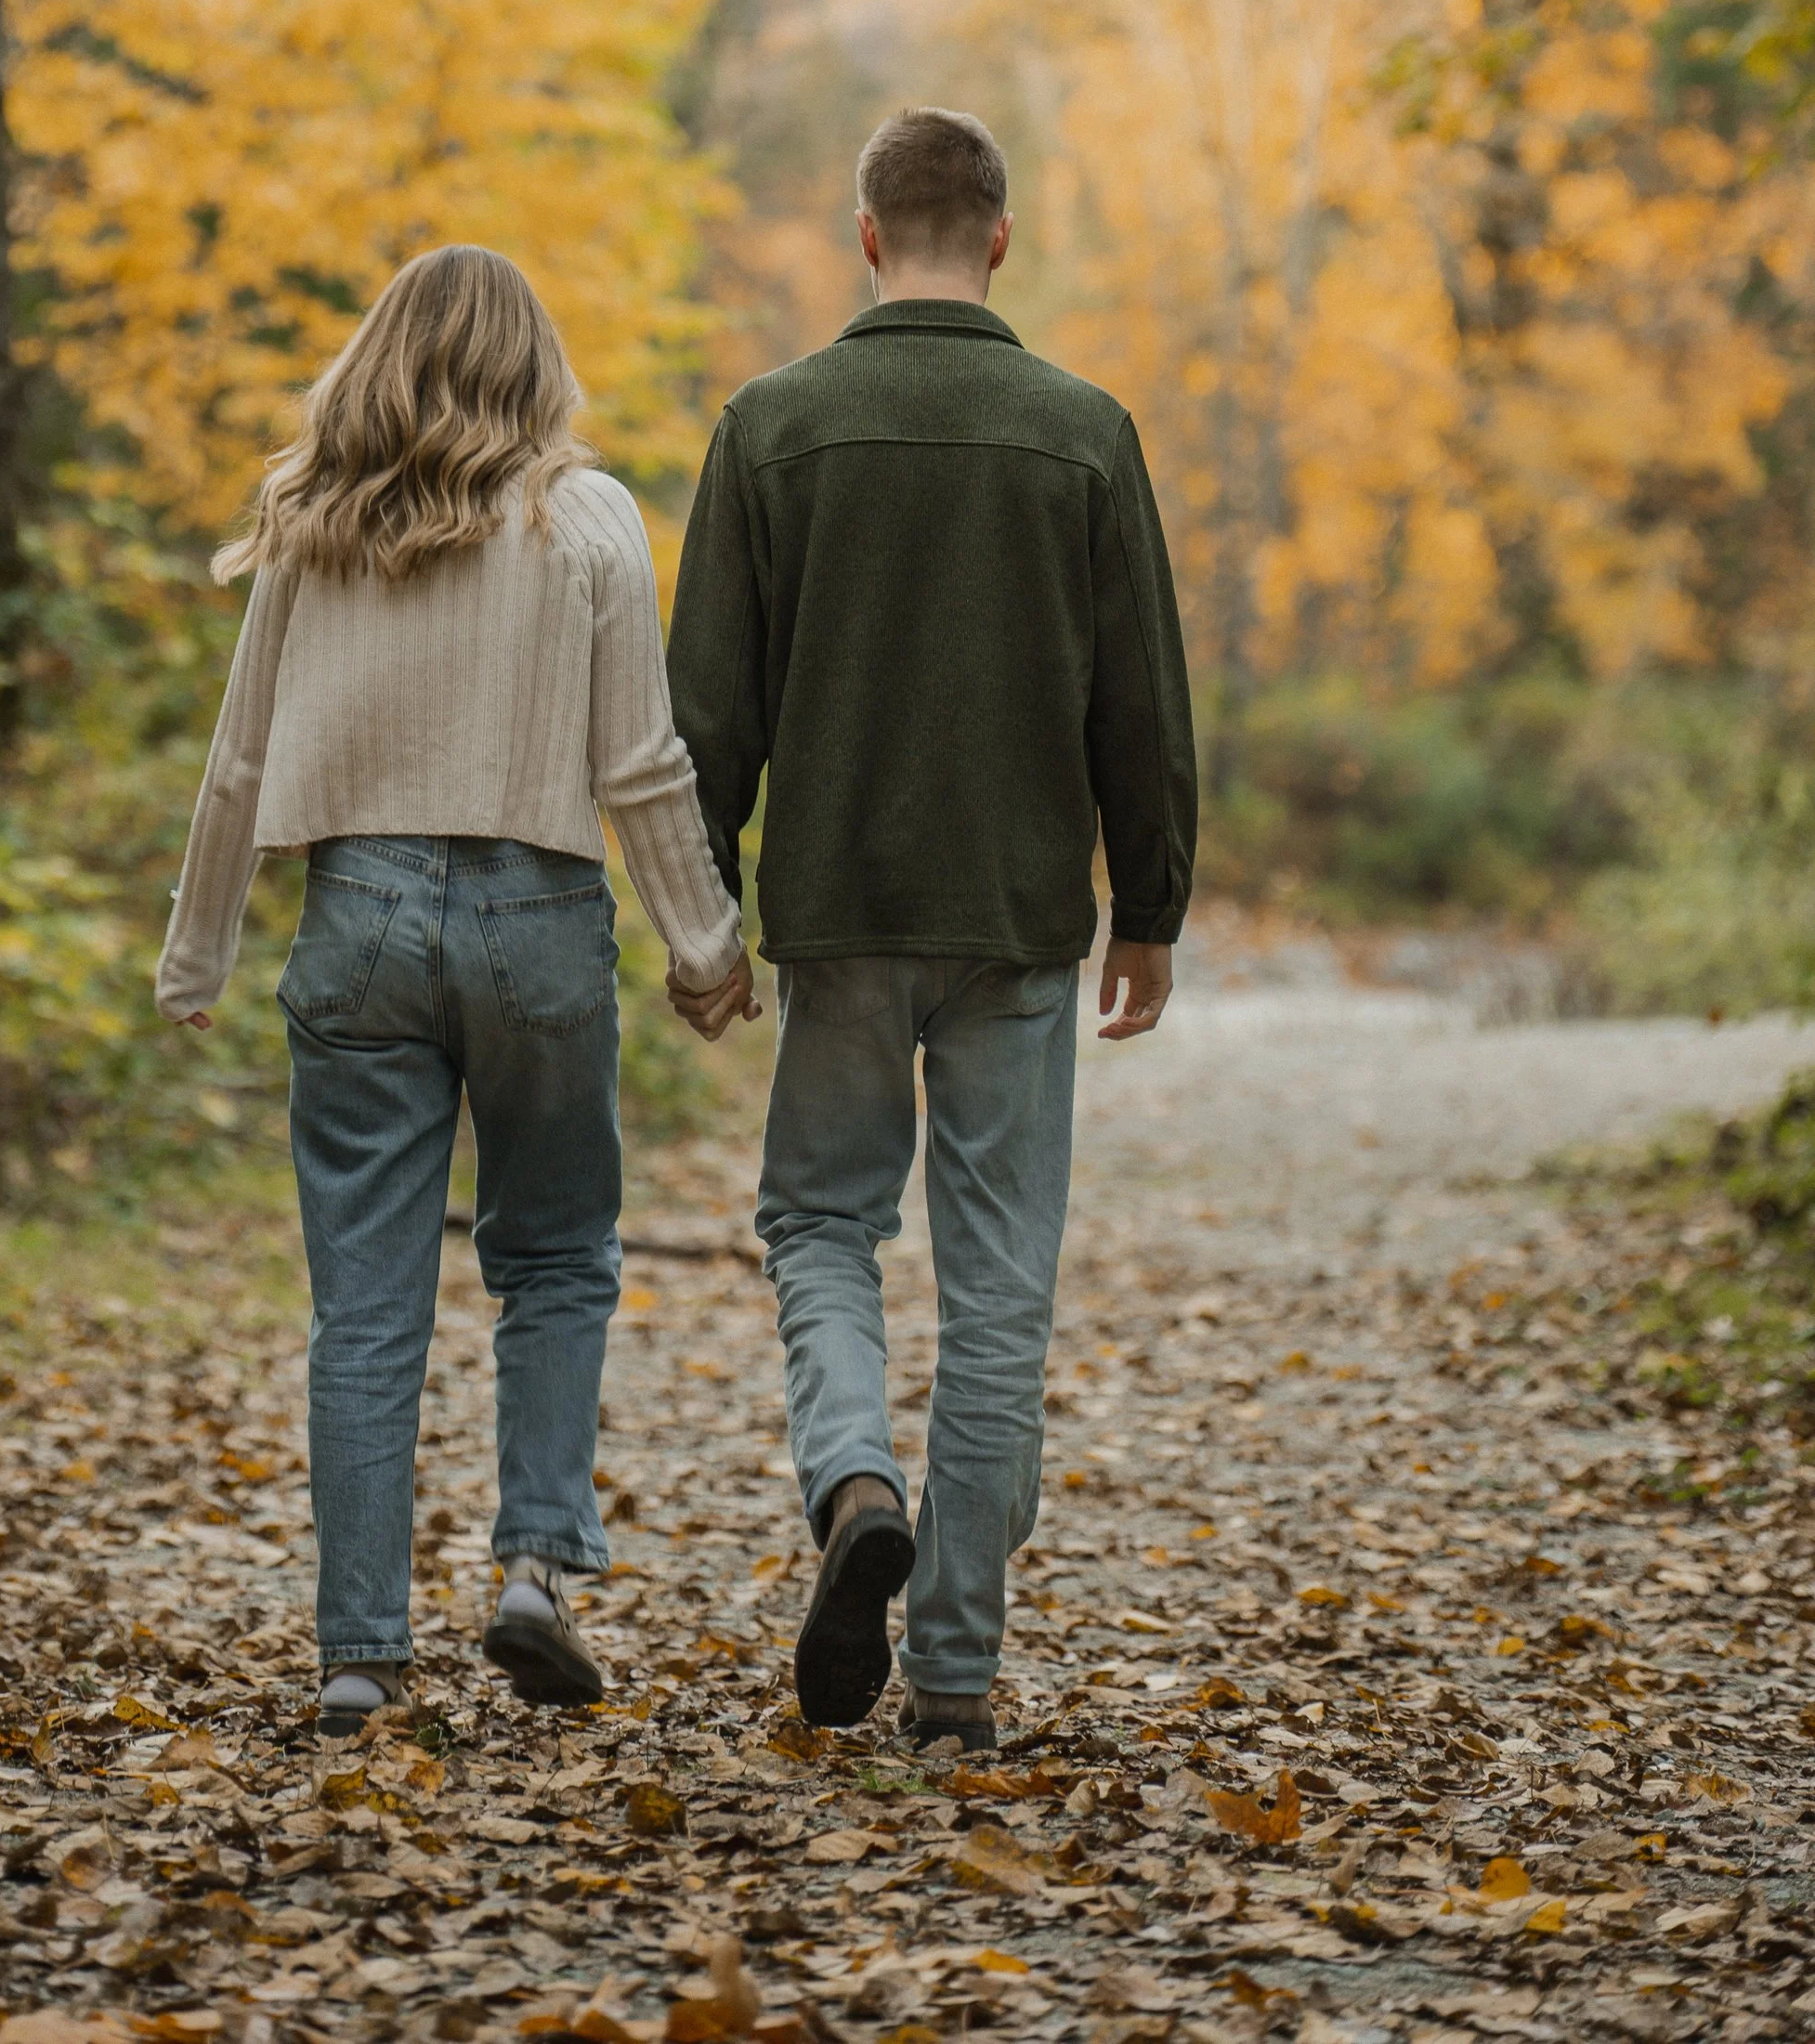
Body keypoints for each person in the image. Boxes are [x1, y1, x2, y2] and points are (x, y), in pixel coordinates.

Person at [157, 245, 751, 1737]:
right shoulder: (590, 517)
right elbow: (639, 764)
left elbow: (239, 752)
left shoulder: (316, 525)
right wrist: (702, 940)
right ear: (536, 366)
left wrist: (200, 948)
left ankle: (361, 1651)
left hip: (355, 910)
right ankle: (536, 1570)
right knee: (553, 1256)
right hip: (537, 913)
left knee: (365, 1295)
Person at [665, 108, 1196, 1753]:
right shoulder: (1084, 433)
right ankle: (954, 1673)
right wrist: (1151, 905)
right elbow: (1142, 700)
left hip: (837, 915)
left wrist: (706, 912)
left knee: (823, 1225)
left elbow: (705, 712)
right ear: (1004, 240)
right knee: (998, 1284)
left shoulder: (772, 426)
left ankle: (853, 1481)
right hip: (1021, 920)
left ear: (867, 235)